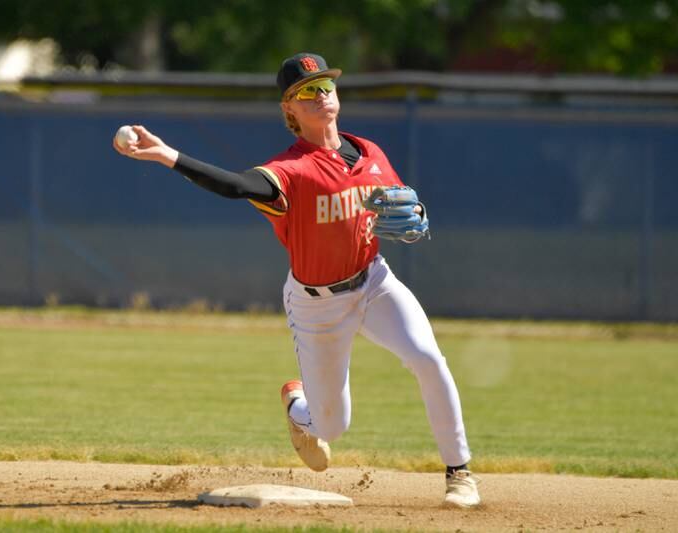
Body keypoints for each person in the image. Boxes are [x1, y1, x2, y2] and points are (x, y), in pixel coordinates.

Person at [113, 52, 480, 508]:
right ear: (290, 108)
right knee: (331, 427)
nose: (321, 95)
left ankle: (459, 474)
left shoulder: (370, 152)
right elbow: (235, 186)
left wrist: (418, 212)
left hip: (375, 283)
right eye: (308, 91)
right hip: (317, 304)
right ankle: (296, 404)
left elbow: (399, 205)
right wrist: (168, 155)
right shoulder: (290, 171)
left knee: (428, 358)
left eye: (325, 85)